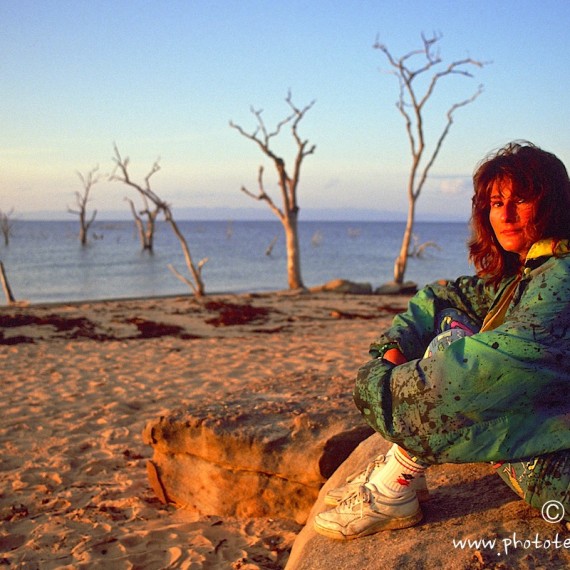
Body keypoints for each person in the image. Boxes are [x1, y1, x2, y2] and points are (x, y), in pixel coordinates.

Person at [314, 141, 570, 540]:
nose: (504, 214)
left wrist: (380, 384)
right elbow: (444, 299)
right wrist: (392, 348)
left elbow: (468, 383)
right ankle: (402, 473)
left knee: (450, 370)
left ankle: (397, 482)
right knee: (451, 326)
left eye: (521, 200)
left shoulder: (560, 282)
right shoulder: (535, 266)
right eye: (495, 201)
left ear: (552, 203)